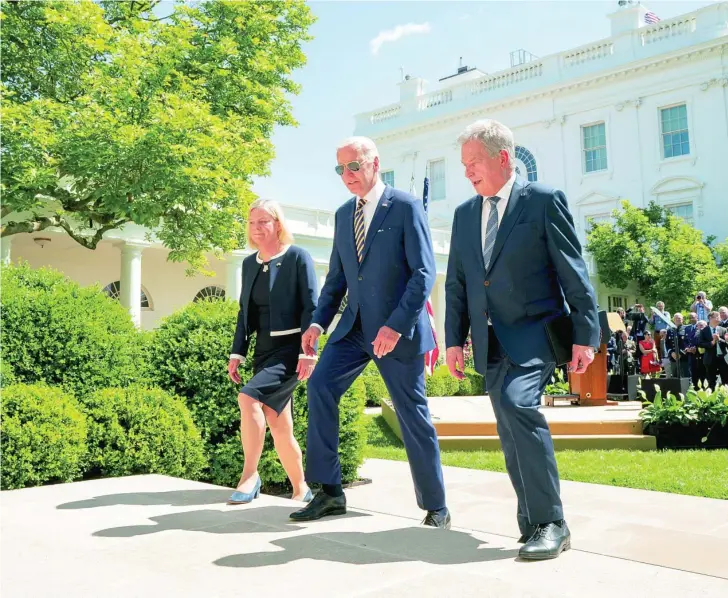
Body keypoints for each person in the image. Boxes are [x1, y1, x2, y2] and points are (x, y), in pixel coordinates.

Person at [444, 119, 599, 560]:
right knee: (509, 429)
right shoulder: (463, 214)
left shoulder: (544, 201)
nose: (468, 171)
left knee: (518, 405)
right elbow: (459, 282)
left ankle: (553, 522)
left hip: (535, 331)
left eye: (474, 162)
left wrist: (585, 335)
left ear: (503, 157)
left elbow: (573, 269)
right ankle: (533, 523)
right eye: (464, 164)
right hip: (490, 340)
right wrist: (454, 339)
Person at [290, 136, 450, 529]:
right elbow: (339, 278)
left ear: (374, 163)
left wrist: (396, 326)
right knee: (321, 386)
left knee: (412, 414)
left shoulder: (406, 206)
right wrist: (317, 322)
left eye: (354, 166)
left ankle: (437, 506)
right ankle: (329, 492)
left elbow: (423, 273)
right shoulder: (344, 214)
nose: (347, 176)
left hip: (397, 331)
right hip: (355, 328)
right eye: (340, 169)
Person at [227, 199, 319, 505]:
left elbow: (311, 306)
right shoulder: (249, 263)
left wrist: (309, 351)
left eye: (263, 222)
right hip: (263, 351)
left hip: (292, 349)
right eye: (252, 223)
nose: (256, 228)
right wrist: (237, 353)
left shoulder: (297, 257)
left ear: (278, 224)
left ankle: (249, 476)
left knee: (248, 397)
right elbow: (244, 312)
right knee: (279, 425)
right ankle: (301, 487)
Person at [697, 311, 728, 390]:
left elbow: (727, 343)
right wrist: (712, 342)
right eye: (717, 317)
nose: (719, 318)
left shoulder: (723, 329)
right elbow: (700, 344)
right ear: (710, 318)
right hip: (710, 359)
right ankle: (712, 399)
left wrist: (719, 339)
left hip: (722, 358)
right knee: (711, 381)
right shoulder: (704, 331)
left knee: (726, 380)